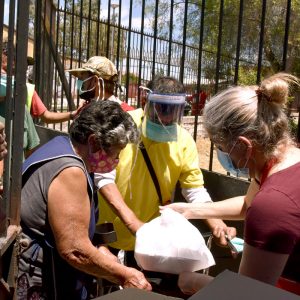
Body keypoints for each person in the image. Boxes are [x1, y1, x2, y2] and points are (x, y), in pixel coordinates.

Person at [163, 73, 300, 295]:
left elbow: (246, 295)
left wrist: (194, 282)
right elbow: (248, 205)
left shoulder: (273, 203)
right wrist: (189, 209)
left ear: (245, 146)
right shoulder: (285, 163)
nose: (222, 155)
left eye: (221, 147)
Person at [17, 100, 152, 299]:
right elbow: (74, 250)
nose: (118, 160)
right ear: (94, 142)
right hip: (44, 281)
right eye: (116, 152)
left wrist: (99, 250)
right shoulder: (70, 171)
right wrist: (123, 275)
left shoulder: (61, 146)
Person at [97, 76, 236, 267]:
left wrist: (217, 224)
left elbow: (194, 190)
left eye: (174, 110)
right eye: (161, 108)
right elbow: (103, 176)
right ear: (146, 101)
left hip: (150, 239)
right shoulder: (122, 124)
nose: (166, 117)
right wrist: (133, 224)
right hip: (108, 232)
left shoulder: (184, 141)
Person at [68, 55, 135, 111]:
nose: (79, 81)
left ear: (95, 81)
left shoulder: (127, 113)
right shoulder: (85, 109)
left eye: (82, 78)